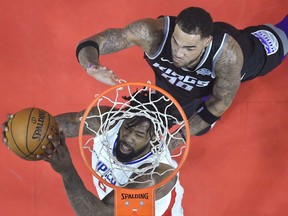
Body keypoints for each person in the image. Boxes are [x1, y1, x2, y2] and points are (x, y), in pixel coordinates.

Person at [75, 6, 288, 137]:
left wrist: (177, 141)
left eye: (189, 48)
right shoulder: (152, 33)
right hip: (189, 84)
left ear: (207, 42)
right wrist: (92, 67)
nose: (178, 53)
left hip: (248, 54)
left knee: (283, 35)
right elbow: (95, 42)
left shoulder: (229, 57)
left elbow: (221, 102)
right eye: (176, 43)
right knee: (193, 121)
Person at [2, 91, 185, 216]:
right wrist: (20, 132)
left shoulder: (157, 177)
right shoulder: (106, 121)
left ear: (155, 138)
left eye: (138, 135)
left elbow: (100, 213)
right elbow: (56, 129)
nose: (127, 137)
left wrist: (68, 172)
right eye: (127, 128)